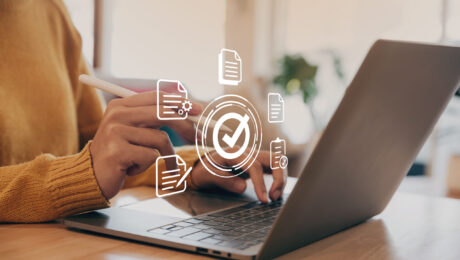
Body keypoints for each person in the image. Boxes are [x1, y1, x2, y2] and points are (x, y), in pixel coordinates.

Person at [0, 0, 285, 222]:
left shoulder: (50, 11)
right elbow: (85, 171)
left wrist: (195, 166)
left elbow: (103, 159)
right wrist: (81, 174)